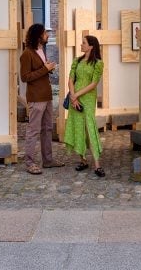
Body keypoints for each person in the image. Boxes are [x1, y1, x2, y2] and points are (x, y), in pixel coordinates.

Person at [20, 23, 64, 174]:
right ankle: (30, 162)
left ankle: (48, 160)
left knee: (47, 129)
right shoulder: (27, 53)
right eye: (45, 33)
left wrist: (48, 69)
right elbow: (25, 77)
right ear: (38, 35)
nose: (47, 35)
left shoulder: (41, 50)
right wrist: (45, 69)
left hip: (47, 95)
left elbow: (39, 72)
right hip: (36, 98)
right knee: (34, 130)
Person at [64, 35, 105, 177]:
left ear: (91, 46)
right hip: (74, 97)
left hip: (87, 98)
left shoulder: (98, 63)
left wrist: (77, 95)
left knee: (89, 127)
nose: (81, 45)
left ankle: (97, 165)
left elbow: (94, 84)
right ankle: (82, 160)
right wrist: (73, 96)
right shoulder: (77, 61)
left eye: (84, 43)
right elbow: (70, 79)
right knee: (78, 126)